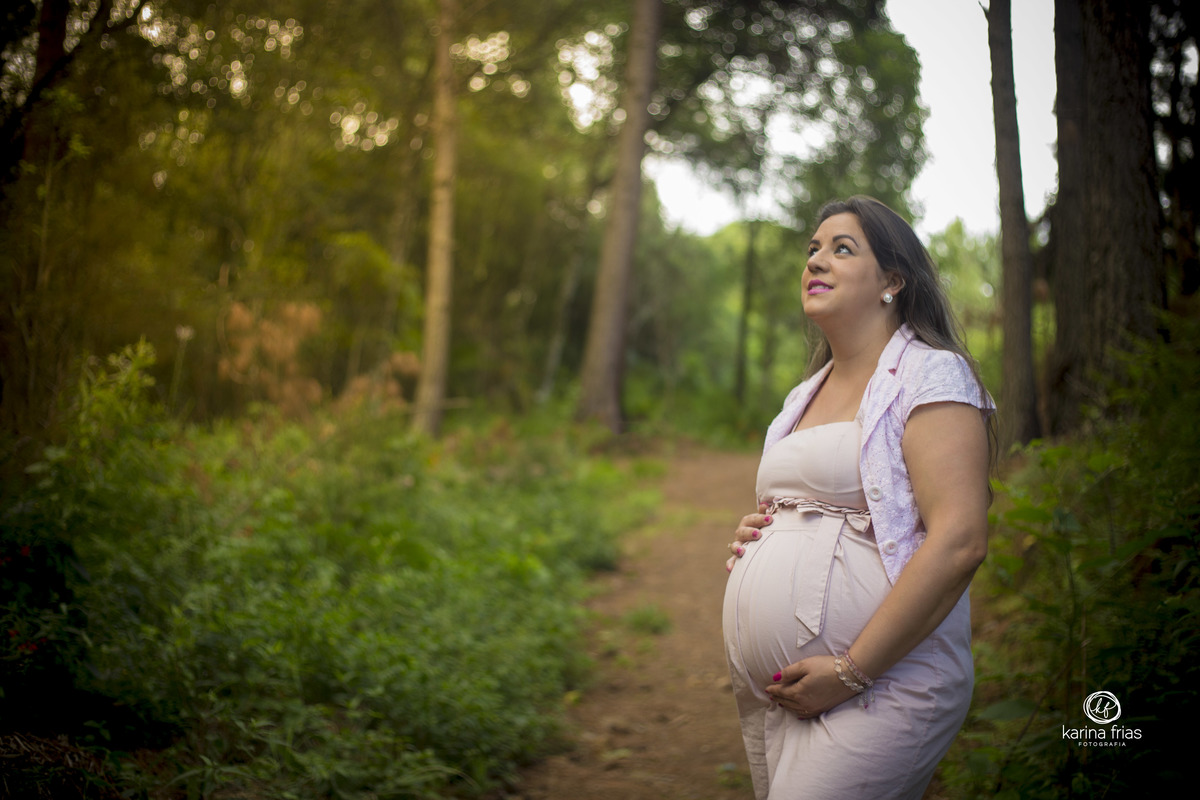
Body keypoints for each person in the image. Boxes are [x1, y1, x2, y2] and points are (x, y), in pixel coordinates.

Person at [722, 195, 994, 799]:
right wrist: (767, 531)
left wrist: (850, 672)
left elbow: (960, 540)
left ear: (892, 281)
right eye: (813, 249)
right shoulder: (802, 397)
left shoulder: (932, 374)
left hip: (883, 683)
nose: (816, 260)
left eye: (842, 249)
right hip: (782, 692)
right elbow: (810, 502)